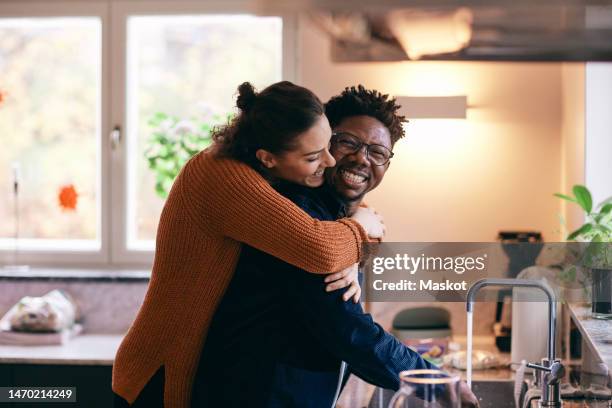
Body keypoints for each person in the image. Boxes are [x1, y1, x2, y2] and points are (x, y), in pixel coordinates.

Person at [191, 86, 479, 407]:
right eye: (347, 143)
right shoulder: (297, 212)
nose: (361, 159)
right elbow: (347, 330)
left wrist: (360, 228)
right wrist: (435, 380)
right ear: (324, 140)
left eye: (378, 152)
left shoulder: (336, 215)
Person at [112, 81, 385, 408]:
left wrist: (356, 245)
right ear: (267, 158)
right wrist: (359, 230)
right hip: (159, 372)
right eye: (314, 156)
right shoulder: (224, 177)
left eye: (329, 145)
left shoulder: (262, 168)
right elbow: (318, 247)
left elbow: (326, 232)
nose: (328, 162)